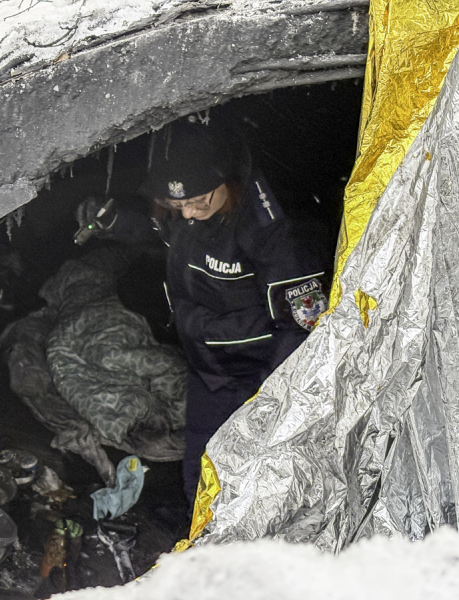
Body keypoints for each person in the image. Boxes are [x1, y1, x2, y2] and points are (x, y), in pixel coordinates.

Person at [76, 115, 331, 509]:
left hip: (258, 376)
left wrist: (268, 402)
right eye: (179, 204)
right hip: (208, 370)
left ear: (227, 184)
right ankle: (199, 551)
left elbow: (302, 327)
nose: (190, 213)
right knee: (200, 477)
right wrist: (116, 220)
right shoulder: (185, 212)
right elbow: (161, 233)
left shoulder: (273, 232)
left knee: (255, 483)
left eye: (198, 202)